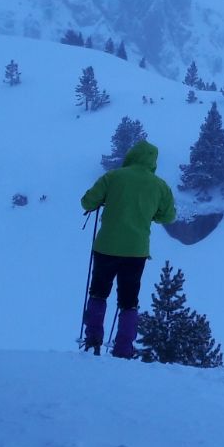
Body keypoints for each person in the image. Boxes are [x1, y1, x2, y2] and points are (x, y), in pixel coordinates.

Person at [80, 139, 176, 357]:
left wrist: (104, 201)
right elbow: (169, 216)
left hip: (106, 246)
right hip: (136, 250)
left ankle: (93, 339)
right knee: (129, 300)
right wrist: (152, 214)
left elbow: (87, 202)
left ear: (131, 155)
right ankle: (123, 347)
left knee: (98, 292)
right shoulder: (160, 186)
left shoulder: (113, 177)